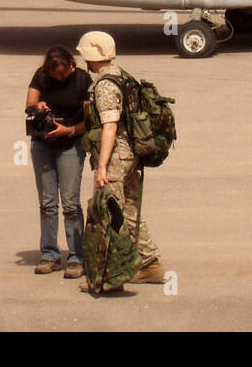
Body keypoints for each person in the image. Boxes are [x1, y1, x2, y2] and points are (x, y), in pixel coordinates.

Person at [76, 31, 166, 288]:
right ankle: (149, 264)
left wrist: (102, 166)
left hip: (117, 156)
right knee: (128, 210)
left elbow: (110, 127)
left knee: (108, 212)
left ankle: (110, 276)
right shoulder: (122, 76)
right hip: (133, 155)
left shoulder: (105, 84)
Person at [25, 46, 91, 279]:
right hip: (43, 143)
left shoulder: (82, 79)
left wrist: (69, 130)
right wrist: (38, 107)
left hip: (71, 143)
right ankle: (50, 254)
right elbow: (29, 105)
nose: (59, 79)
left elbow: (91, 120)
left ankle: (76, 256)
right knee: (47, 202)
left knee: (71, 203)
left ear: (70, 64)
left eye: (62, 75)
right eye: (55, 76)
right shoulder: (41, 75)